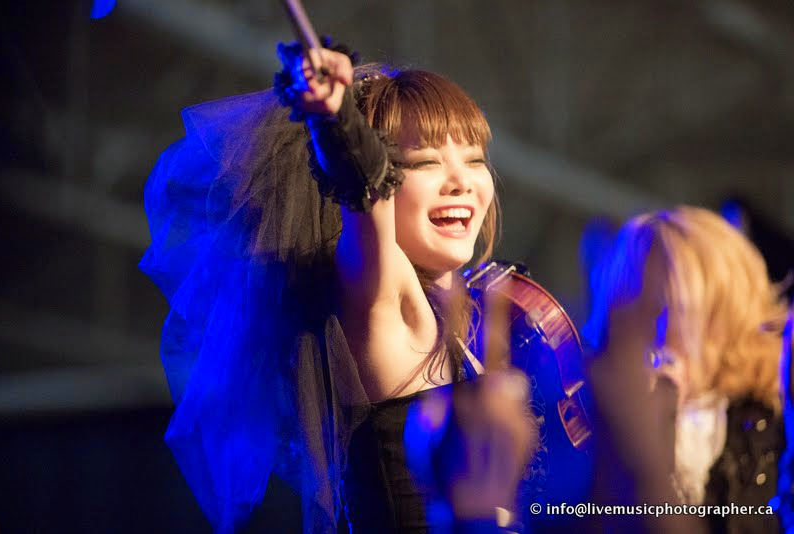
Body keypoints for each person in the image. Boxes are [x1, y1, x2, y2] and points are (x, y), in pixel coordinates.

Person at [140, 40, 534, 534]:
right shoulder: (392, 309)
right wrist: (337, 117)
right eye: (424, 162)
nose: (461, 181)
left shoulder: (466, 323)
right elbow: (367, 196)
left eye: (475, 160)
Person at [583, 205, 788, 533]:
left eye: (667, 308)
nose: (655, 333)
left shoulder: (773, 428)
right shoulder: (595, 430)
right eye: (637, 309)